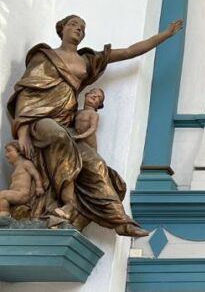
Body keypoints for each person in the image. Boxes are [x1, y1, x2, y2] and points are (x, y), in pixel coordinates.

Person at [6, 14, 183, 237]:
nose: (78, 29)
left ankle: (119, 220)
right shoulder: (45, 57)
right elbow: (26, 94)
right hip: (38, 121)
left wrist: (165, 35)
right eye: (73, 25)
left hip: (65, 123)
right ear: (61, 29)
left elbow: (129, 51)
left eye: (82, 27)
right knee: (59, 136)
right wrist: (22, 133)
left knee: (95, 162)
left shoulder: (87, 61)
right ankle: (68, 203)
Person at [0, 142, 44, 218]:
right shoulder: (15, 169)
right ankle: (4, 214)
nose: (6, 155)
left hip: (22, 194)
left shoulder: (26, 163)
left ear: (19, 151)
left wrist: (39, 187)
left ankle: (5, 217)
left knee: (2, 194)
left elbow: (36, 174)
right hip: (15, 194)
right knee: (2, 198)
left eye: (9, 151)